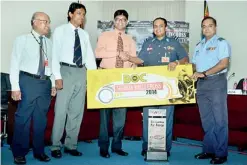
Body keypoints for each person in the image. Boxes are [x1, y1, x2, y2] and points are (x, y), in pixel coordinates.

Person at [51, 2, 97, 158]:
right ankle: (56, 145)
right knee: (61, 111)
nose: (82, 17)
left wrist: (94, 76)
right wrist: (56, 77)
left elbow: (89, 57)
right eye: (79, 13)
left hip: (81, 72)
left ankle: (71, 145)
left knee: (76, 112)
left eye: (83, 14)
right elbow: (54, 55)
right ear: (70, 14)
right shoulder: (60, 31)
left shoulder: (84, 34)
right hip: (65, 71)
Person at [9, 12, 56, 164]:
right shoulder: (22, 40)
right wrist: (15, 87)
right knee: (23, 118)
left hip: (45, 83)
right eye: (45, 22)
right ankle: (19, 152)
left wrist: (53, 83)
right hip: (27, 81)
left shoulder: (49, 43)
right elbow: (14, 63)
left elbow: (52, 64)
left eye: (48, 22)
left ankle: (39, 151)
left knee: (41, 119)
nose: (48, 25)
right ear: (35, 22)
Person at [138, 17, 189, 157]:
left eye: (161, 26)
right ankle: (147, 146)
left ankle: (165, 148)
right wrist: (129, 58)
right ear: (153, 28)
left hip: (169, 88)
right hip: (150, 87)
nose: (158, 28)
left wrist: (177, 62)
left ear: (166, 28)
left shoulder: (174, 43)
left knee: (167, 118)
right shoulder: (147, 43)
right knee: (148, 117)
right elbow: (140, 61)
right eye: (155, 26)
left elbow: (186, 59)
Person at [95, 9, 141, 158]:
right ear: (114, 21)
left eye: (123, 19)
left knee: (120, 118)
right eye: (118, 19)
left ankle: (117, 145)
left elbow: (134, 59)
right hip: (106, 76)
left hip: (123, 79)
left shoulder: (130, 39)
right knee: (104, 116)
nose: (120, 22)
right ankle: (103, 147)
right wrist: (117, 53)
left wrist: (133, 65)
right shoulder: (104, 35)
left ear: (127, 22)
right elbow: (98, 54)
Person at [192, 16, 231, 164]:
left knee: (220, 120)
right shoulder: (198, 45)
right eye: (204, 26)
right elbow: (194, 65)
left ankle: (221, 153)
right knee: (207, 120)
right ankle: (209, 150)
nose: (206, 28)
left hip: (216, 82)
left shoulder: (221, 43)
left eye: (210, 26)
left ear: (215, 27)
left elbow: (223, 64)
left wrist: (204, 73)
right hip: (201, 84)